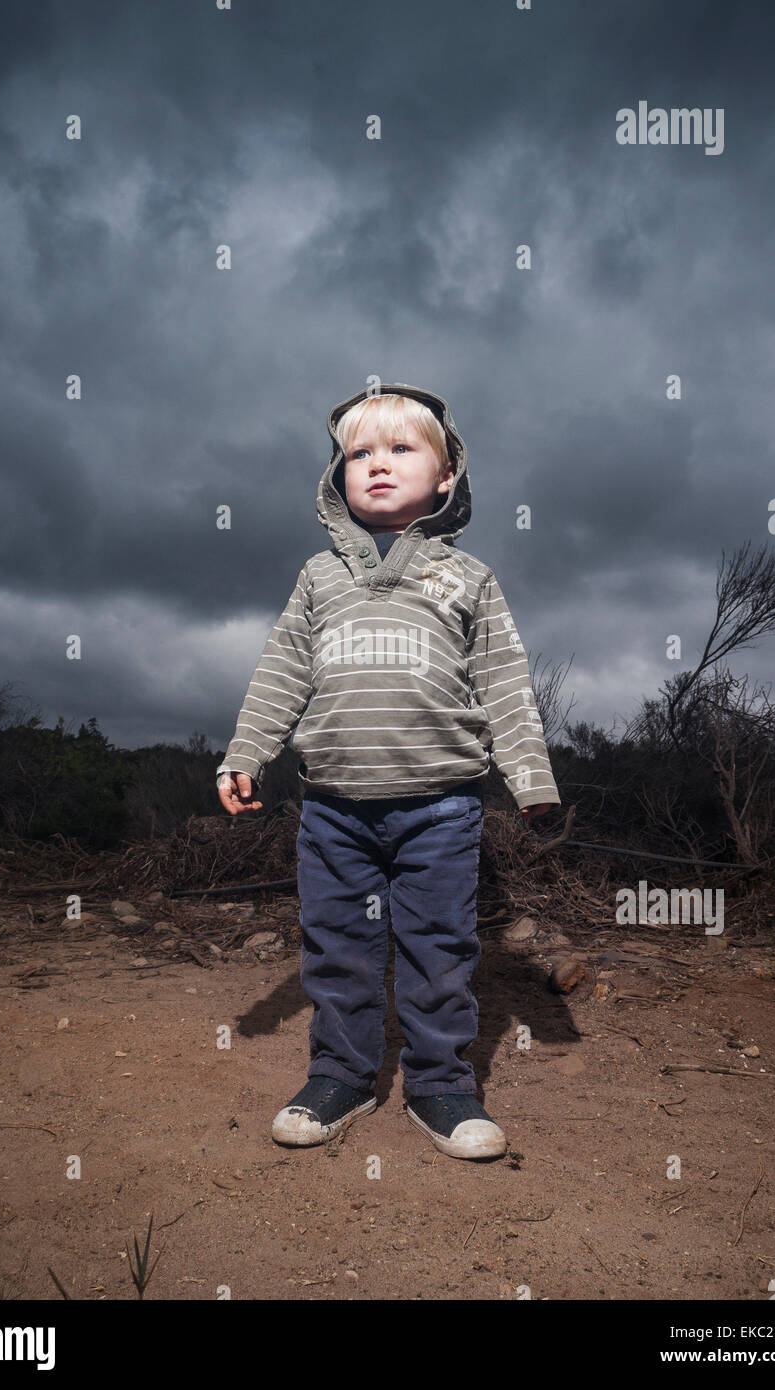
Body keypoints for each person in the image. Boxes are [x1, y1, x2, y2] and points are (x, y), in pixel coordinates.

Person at [217, 384, 560, 1160]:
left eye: (401, 449)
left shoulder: (466, 578)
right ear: (335, 477)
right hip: (333, 808)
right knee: (336, 947)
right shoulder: (318, 577)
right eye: (358, 453)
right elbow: (281, 670)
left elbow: (503, 679)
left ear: (445, 477)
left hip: (440, 807)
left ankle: (441, 1086)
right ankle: (340, 1075)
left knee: (438, 948)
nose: (377, 465)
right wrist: (246, 754)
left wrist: (529, 776)